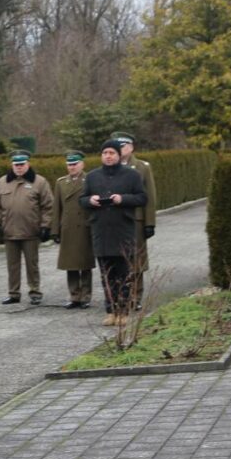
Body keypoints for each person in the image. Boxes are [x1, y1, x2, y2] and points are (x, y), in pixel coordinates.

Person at [80, 140, 147, 326]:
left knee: (124, 273)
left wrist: (122, 199)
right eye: (105, 153)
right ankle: (110, 310)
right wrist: (90, 200)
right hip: (101, 230)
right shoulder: (92, 176)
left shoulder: (132, 175)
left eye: (112, 153)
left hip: (122, 230)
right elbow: (82, 200)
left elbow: (142, 197)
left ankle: (124, 311)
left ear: (118, 155)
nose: (108, 156)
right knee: (106, 274)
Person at [0, 150, 53, 305]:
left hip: (31, 231)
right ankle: (13, 293)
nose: (19, 167)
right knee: (12, 265)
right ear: (12, 165)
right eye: (16, 165)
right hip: (9, 232)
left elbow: (48, 206)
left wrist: (45, 226)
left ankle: (35, 291)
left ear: (28, 164)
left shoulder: (39, 182)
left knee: (32, 264)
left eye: (22, 164)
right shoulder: (2, 182)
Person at [112, 132, 156, 308]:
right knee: (117, 259)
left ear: (131, 147)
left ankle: (135, 297)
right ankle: (120, 295)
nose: (121, 150)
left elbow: (150, 196)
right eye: (118, 147)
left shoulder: (142, 167)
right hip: (115, 220)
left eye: (123, 146)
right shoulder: (110, 166)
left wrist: (150, 222)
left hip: (135, 220)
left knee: (136, 260)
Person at [51, 150, 94, 309]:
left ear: (82, 164)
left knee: (85, 264)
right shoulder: (61, 183)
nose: (72, 167)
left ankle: (86, 296)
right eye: (69, 164)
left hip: (84, 226)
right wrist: (55, 230)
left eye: (75, 164)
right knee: (71, 264)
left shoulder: (90, 180)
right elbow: (57, 208)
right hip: (68, 228)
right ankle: (74, 295)